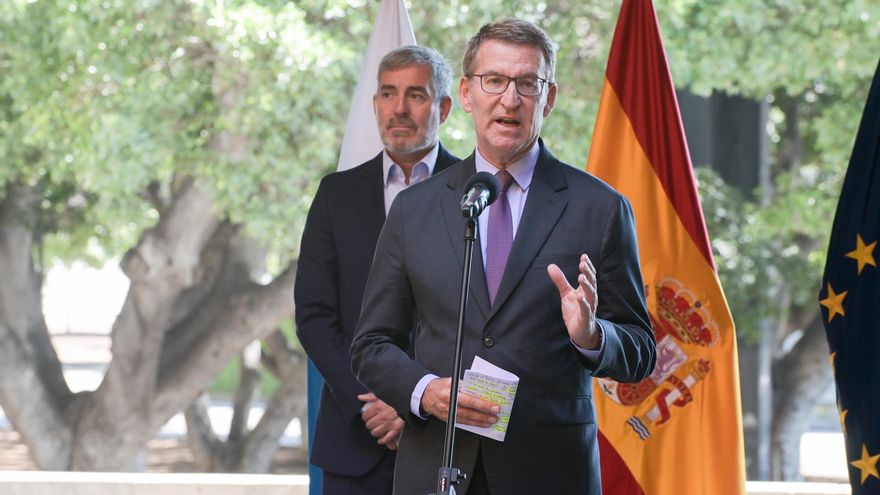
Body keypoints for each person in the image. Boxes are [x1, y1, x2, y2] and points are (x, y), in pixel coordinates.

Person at [350, 19, 656, 495]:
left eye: (527, 84)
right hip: (437, 465)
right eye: (494, 81)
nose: (509, 100)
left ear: (549, 98)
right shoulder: (415, 210)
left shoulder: (599, 208)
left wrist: (592, 335)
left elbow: (641, 350)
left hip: (550, 472)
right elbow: (370, 344)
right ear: (468, 93)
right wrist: (424, 391)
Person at [294, 45, 460, 495]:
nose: (399, 109)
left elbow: (483, 321)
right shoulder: (336, 195)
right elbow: (313, 316)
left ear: (443, 107)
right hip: (356, 433)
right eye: (388, 94)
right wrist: (373, 402)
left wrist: (416, 400)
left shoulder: (477, 193)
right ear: (374, 105)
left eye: (416, 95)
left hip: (447, 439)